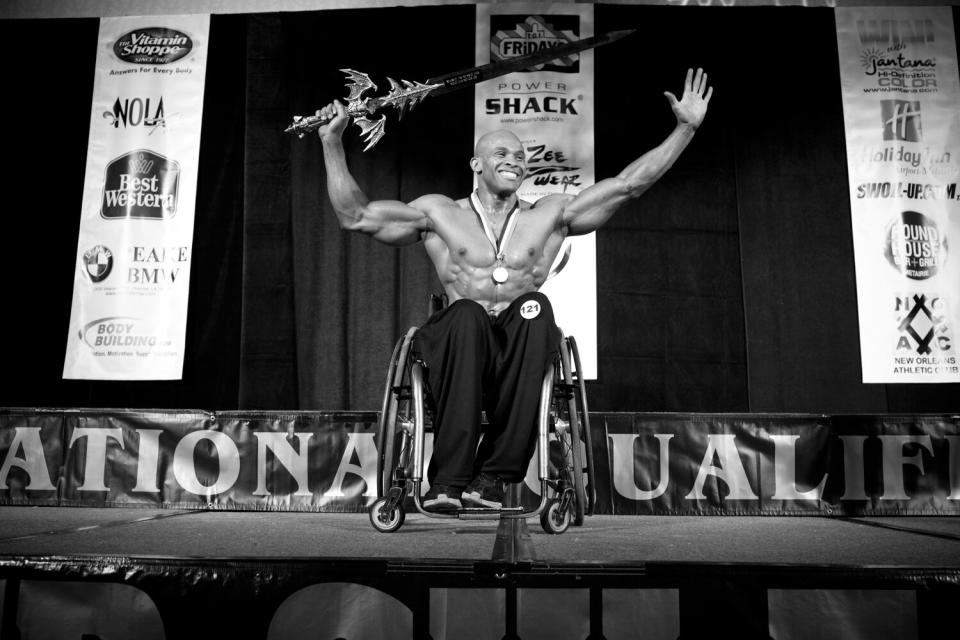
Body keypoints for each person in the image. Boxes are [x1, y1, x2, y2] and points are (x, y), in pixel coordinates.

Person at [316, 68, 712, 512]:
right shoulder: (438, 212)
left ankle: (491, 478)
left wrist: (684, 129)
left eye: (521, 156)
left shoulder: (551, 215)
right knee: (465, 314)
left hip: (518, 355)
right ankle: (447, 483)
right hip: (457, 348)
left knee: (535, 308)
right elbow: (357, 216)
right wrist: (332, 143)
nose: (514, 160)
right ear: (476, 164)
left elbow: (628, 186)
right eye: (501, 152)